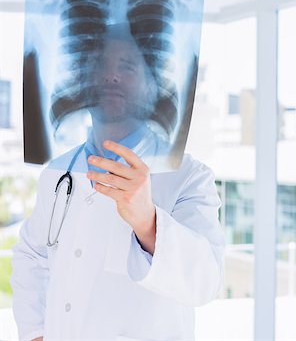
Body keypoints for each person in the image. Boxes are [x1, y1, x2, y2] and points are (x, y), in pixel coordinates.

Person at [11, 27, 225, 341]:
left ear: (152, 85)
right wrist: (35, 333)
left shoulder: (188, 176)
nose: (111, 75)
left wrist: (149, 224)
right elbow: (31, 255)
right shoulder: (58, 172)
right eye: (99, 63)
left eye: (127, 66)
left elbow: (206, 282)